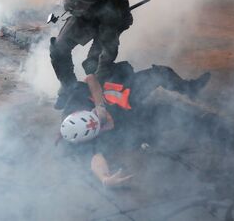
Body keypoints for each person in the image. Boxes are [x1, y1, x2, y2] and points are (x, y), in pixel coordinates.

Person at [59, 61, 211, 187]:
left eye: (100, 121)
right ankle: (208, 125)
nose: (105, 123)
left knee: (160, 73)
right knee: (170, 112)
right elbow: (95, 161)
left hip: (125, 95)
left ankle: (190, 89)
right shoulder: (84, 142)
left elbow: (91, 79)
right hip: (131, 118)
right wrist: (105, 179)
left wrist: (100, 105)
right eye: (101, 126)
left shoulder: (74, 103)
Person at [50, 0, 134, 110]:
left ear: (92, 2)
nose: (70, 3)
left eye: (77, 1)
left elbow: (108, 52)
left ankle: (99, 90)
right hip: (85, 13)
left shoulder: (113, 11)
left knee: (92, 64)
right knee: (59, 49)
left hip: (110, 20)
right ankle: (69, 89)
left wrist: (96, 88)